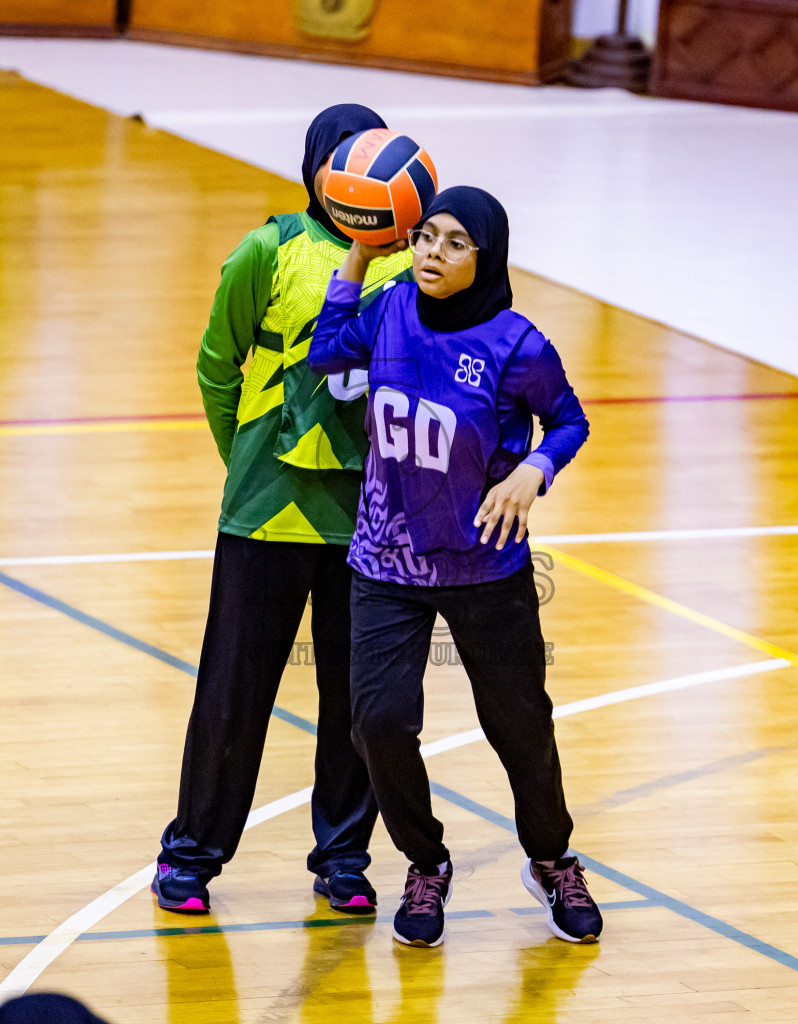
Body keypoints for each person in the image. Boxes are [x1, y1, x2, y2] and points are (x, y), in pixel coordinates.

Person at [308, 186, 602, 947]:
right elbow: (327, 347)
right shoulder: (393, 307)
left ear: (487, 257)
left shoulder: (519, 346)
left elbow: (569, 419)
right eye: (426, 237)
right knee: (375, 721)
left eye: (454, 243)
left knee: (520, 726)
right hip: (386, 558)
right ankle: (425, 863)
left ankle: (551, 858)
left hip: (486, 564)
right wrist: (361, 254)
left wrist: (534, 469)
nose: (432, 253)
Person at [153, 104, 415, 915]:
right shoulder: (266, 249)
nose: (356, 174)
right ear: (316, 166)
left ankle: (343, 860)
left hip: (366, 518)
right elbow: (215, 364)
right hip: (265, 512)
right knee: (234, 690)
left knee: (357, 703)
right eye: (342, 157)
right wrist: (245, 460)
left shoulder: (409, 268)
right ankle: (190, 856)